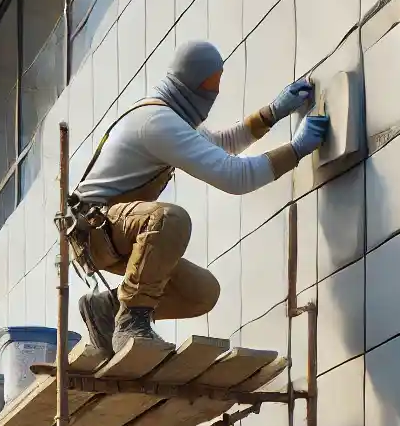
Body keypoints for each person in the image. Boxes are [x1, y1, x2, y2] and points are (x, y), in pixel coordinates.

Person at [70, 40, 330, 355]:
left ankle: (108, 310)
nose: (214, 93)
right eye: (211, 84)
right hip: (95, 231)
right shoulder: (157, 122)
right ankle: (131, 323)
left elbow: (222, 144)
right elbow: (236, 177)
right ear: (191, 83)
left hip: (114, 232)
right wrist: (296, 150)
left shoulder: (169, 117)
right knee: (169, 220)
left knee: (201, 293)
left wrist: (271, 114)